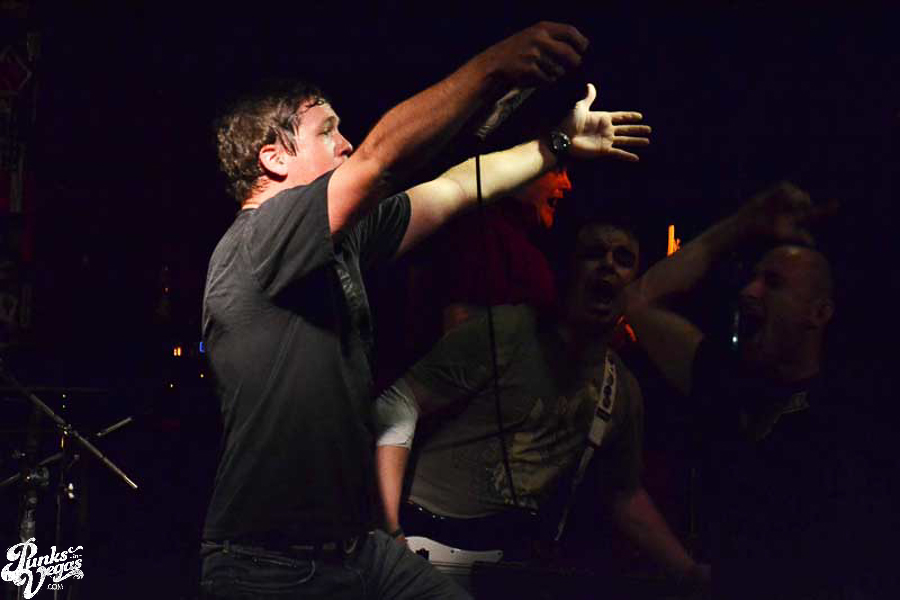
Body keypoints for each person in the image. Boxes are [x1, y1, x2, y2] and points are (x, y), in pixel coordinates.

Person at [200, 21, 652, 599]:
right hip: (271, 567)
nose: (345, 143)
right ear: (273, 158)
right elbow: (379, 159)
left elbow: (455, 189)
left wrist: (556, 145)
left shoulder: (340, 243)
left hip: (357, 548)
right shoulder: (258, 241)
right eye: (328, 131)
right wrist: (492, 68)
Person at [374, 219, 708, 596]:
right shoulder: (508, 331)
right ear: (568, 269)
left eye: (623, 258)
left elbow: (624, 494)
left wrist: (688, 570)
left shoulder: (621, 390)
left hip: (501, 564)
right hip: (421, 537)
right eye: (594, 254)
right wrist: (390, 529)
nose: (608, 265)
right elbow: (399, 401)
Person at [623, 183, 864, 598]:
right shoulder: (726, 381)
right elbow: (638, 301)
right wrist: (743, 222)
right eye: (753, 278)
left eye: (773, 283)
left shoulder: (848, 418)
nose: (749, 291)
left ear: (819, 312)